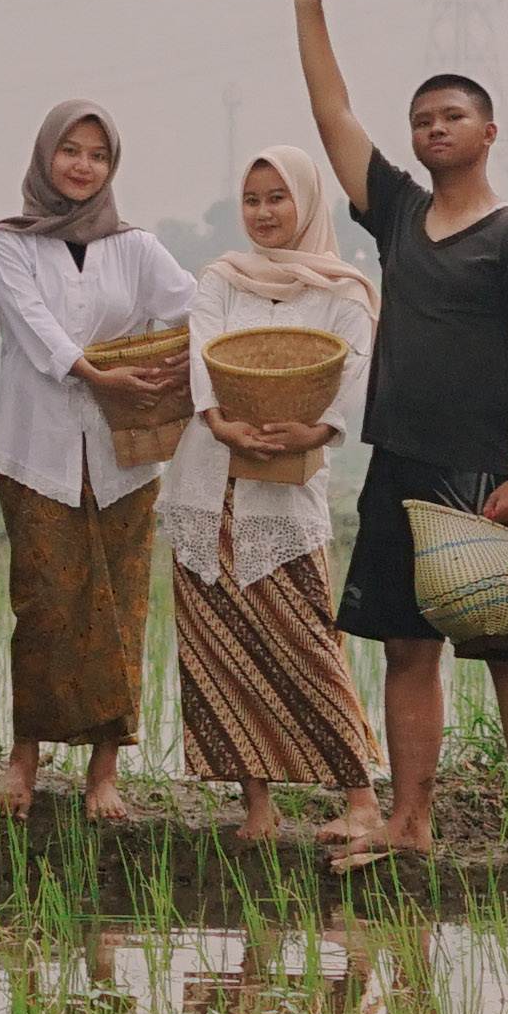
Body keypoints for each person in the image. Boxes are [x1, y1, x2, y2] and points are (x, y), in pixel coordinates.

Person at [293, 0, 508, 856]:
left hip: (484, 471)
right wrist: (309, 4)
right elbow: (334, 119)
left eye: (452, 116)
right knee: (408, 651)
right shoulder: (402, 213)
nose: (434, 128)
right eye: (422, 120)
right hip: (398, 462)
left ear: (488, 131)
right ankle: (409, 822)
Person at [168, 146, 386, 852]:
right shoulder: (221, 278)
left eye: (278, 198)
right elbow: (206, 356)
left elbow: (353, 374)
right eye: (253, 199)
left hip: (286, 489)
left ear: (307, 203)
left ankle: (360, 800)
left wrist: (315, 426)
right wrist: (221, 421)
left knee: (307, 638)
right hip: (209, 482)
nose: (264, 213)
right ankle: (255, 805)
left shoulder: (344, 290)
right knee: (220, 644)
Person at [0, 101, 190, 820]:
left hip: (124, 458)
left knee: (120, 608)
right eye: (70, 150)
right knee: (41, 604)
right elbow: (35, 330)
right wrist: (101, 373)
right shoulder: (9, 243)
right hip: (35, 451)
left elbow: (196, 305)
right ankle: (24, 758)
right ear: (45, 156)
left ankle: (105, 774)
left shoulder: (135, 247)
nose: (82, 165)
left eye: (98, 155)